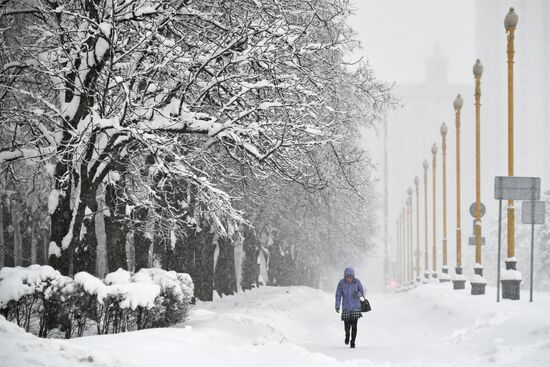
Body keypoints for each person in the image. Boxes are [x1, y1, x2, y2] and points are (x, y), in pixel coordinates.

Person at [335, 267, 365, 348]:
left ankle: (353, 341)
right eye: (348, 277)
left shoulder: (357, 282)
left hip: (355, 307)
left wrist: (358, 294)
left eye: (351, 277)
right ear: (345, 276)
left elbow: (362, 292)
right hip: (346, 308)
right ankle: (347, 335)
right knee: (347, 326)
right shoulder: (341, 283)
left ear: (353, 276)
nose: (349, 279)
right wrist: (337, 305)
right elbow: (338, 295)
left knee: (354, 326)